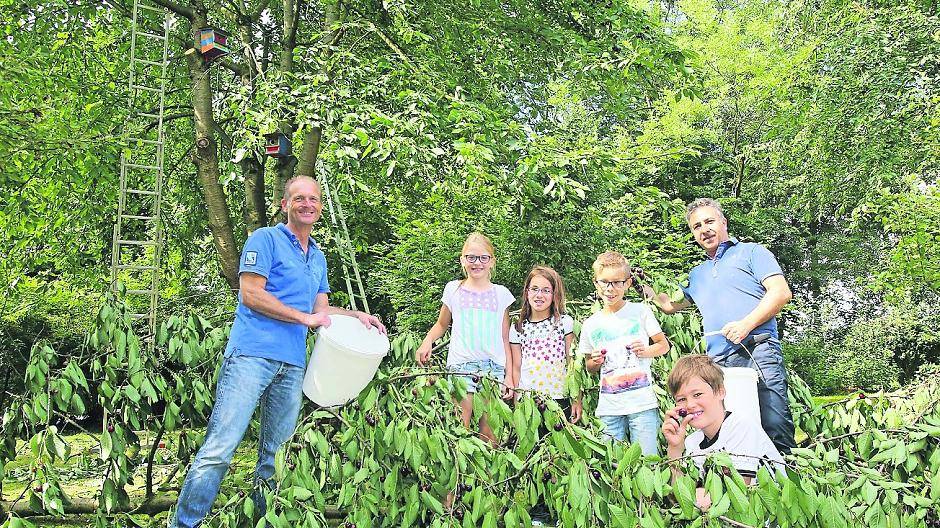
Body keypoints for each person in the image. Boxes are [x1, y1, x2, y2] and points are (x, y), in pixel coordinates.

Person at [170, 175, 385, 528]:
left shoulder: (317, 257)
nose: (307, 204)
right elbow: (251, 294)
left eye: (313, 199)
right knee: (220, 449)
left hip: (292, 364)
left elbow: (320, 310)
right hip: (251, 356)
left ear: (320, 207)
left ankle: (265, 521)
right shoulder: (265, 239)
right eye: (299, 198)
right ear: (285, 204)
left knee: (276, 456)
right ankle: (184, 524)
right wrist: (303, 318)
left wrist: (357, 315)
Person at [642, 198, 795, 453]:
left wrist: (746, 324)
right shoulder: (697, 274)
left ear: (723, 222)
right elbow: (669, 305)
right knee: (726, 430)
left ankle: (785, 472)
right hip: (718, 362)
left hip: (758, 350)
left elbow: (780, 293)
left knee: (774, 421)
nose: (704, 229)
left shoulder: (752, 252)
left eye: (709, 221)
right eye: (697, 226)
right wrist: (640, 285)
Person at [415, 232, 515, 446]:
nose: (477, 263)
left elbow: (505, 337)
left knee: (490, 434)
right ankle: (462, 468)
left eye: (483, 258)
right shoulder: (454, 289)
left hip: (493, 370)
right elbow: (442, 324)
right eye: (471, 257)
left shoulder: (501, 294)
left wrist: (509, 375)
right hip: (461, 367)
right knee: (460, 429)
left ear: (492, 261)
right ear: (462, 260)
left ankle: (489, 469)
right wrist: (427, 341)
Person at [662, 354, 784, 511]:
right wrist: (675, 449)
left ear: (720, 392)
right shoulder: (692, 442)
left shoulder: (741, 426)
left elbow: (736, 494)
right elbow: (678, 496)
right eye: (681, 399)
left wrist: (692, 496)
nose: (690, 404)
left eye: (697, 394)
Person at [579, 251, 670, 455]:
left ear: (627, 283)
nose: (610, 289)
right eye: (604, 282)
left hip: (642, 404)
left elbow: (663, 345)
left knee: (647, 459)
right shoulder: (590, 324)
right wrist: (596, 361)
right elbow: (589, 366)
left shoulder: (640, 311)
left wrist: (645, 351)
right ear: (596, 283)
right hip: (609, 408)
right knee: (612, 463)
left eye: (617, 283)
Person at [509, 266, 582, 423]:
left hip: (559, 397)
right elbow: (516, 367)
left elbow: (572, 363)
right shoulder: (518, 327)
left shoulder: (564, 323)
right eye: (534, 289)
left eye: (546, 290)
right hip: (529, 400)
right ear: (527, 292)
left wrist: (576, 399)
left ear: (555, 294)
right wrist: (517, 402)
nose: (539, 295)